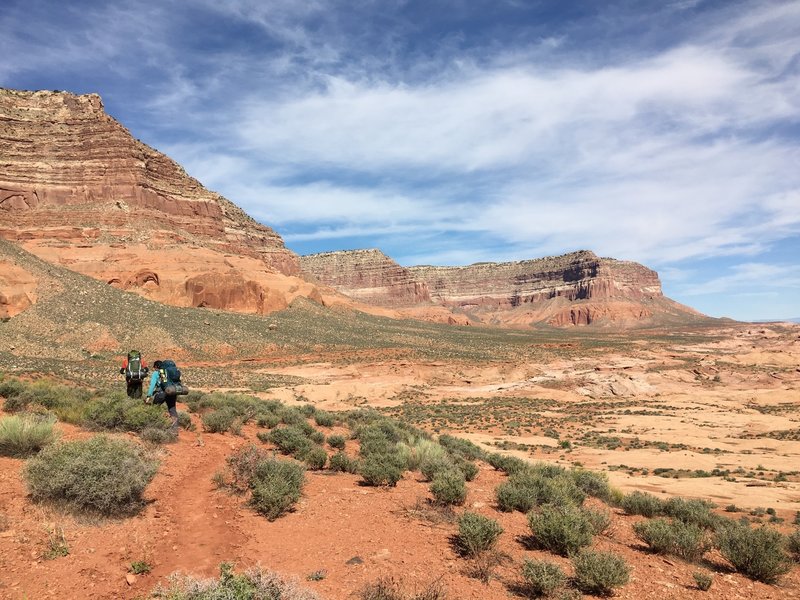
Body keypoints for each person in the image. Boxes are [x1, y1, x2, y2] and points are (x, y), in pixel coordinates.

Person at [145, 359, 179, 433]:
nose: (154, 369)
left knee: (154, 408)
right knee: (172, 410)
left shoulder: (156, 373)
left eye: (154, 367)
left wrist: (148, 396)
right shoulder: (169, 373)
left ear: (157, 366)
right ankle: (175, 429)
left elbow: (152, 385)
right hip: (172, 391)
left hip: (162, 392)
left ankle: (153, 427)